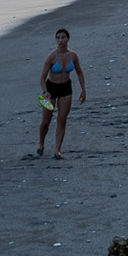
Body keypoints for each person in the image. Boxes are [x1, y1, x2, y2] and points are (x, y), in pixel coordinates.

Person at [36, 28, 86, 158]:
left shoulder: (73, 56)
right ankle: (41, 143)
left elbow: (79, 72)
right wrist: (45, 91)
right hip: (50, 89)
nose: (60, 40)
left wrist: (83, 90)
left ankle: (57, 150)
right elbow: (42, 78)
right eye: (58, 38)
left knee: (62, 120)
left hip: (66, 88)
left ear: (68, 39)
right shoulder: (52, 56)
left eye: (63, 37)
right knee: (46, 121)